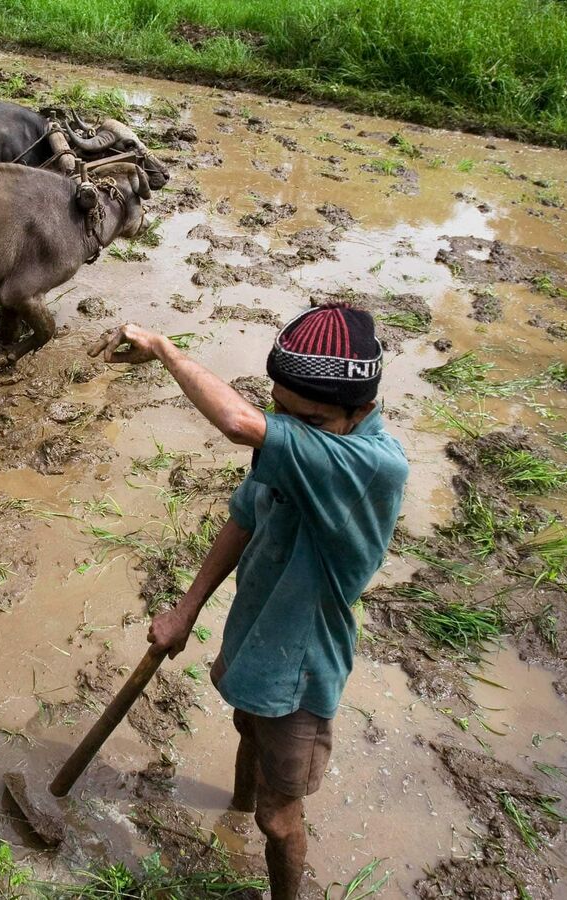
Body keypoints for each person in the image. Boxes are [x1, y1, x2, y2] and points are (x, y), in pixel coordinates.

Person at [88, 305, 408, 900]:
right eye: (281, 410)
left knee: (279, 816)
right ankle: (234, 809)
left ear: (361, 411)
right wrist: (186, 609)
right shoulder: (303, 443)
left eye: (309, 419)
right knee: (244, 727)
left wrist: (164, 347)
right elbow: (243, 519)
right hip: (257, 633)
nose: (286, 428)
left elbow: (237, 421)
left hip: (301, 665)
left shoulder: (369, 464)